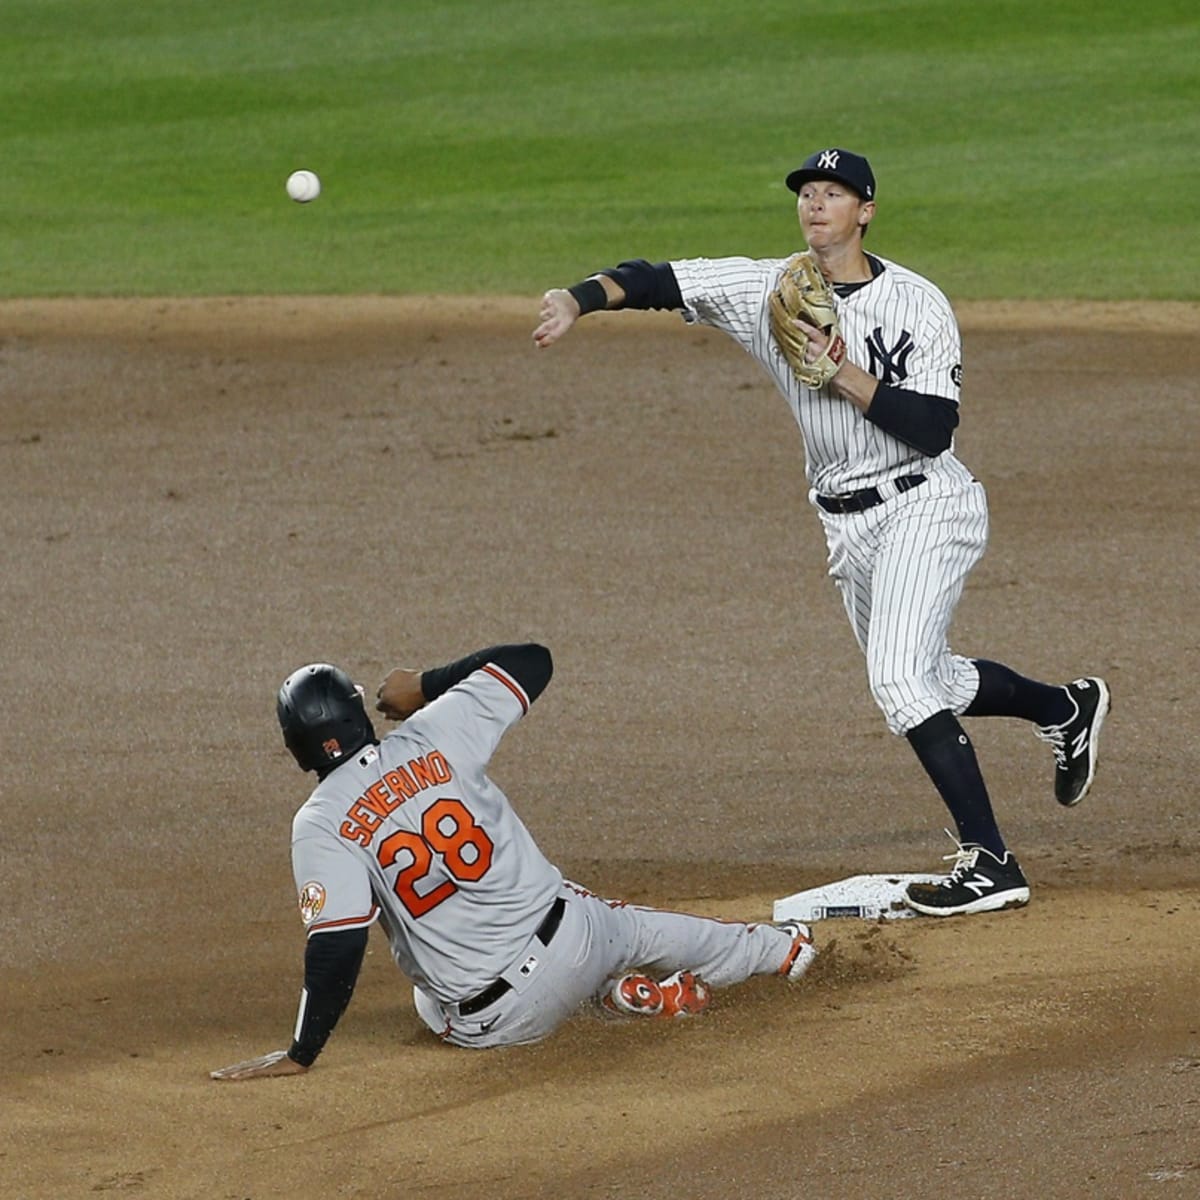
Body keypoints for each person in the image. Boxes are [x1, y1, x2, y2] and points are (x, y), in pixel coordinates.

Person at [532, 147, 1110, 918]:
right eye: (807, 192)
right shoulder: (766, 288)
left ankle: (992, 863)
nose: (815, 204)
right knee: (928, 680)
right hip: (847, 525)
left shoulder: (919, 303)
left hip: (926, 504)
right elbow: (652, 277)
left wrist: (841, 372)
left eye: (833, 193)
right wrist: (577, 301)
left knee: (900, 683)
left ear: (864, 210)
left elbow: (935, 429)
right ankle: (1064, 708)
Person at [210, 642, 815, 1080]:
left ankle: (617, 1004)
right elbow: (533, 661)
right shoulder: (434, 731)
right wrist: (424, 685)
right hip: (578, 935)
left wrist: (302, 1052)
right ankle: (781, 951)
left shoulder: (319, 824)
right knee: (633, 927)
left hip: (500, 1017)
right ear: (360, 712)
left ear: (296, 746)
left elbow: (338, 947)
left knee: (427, 1000)